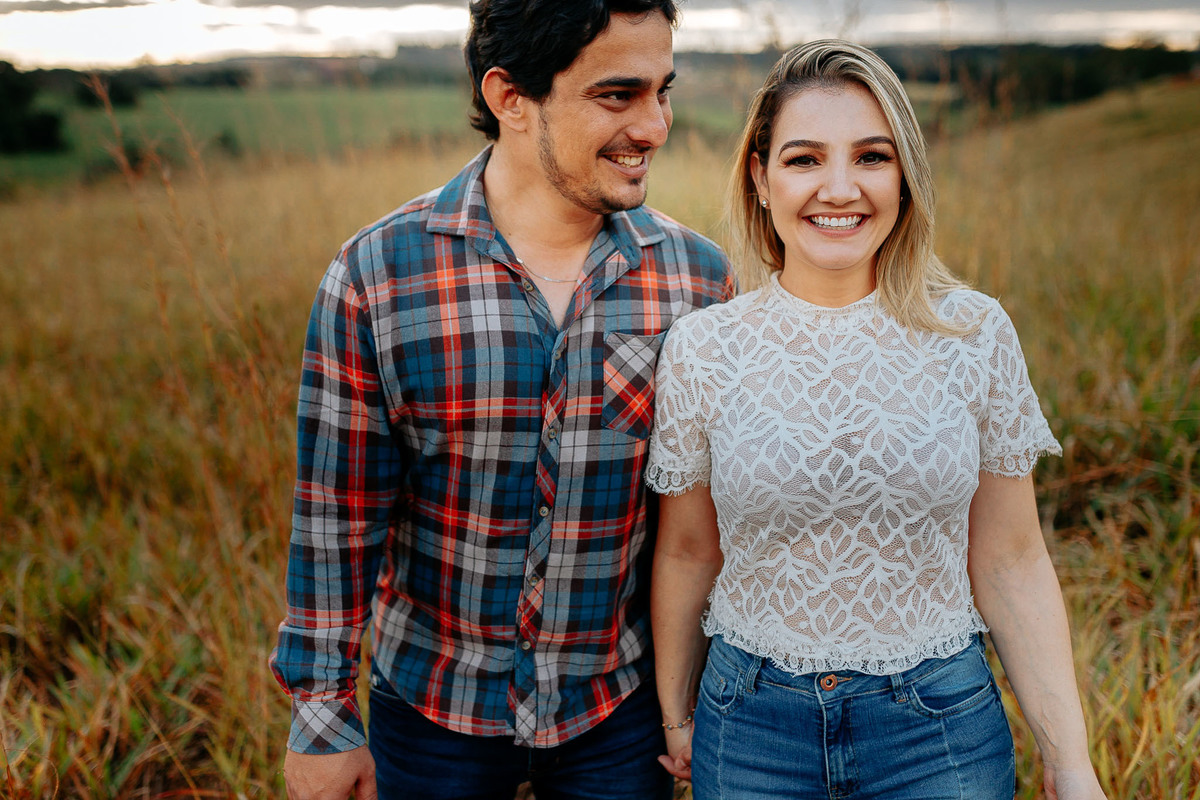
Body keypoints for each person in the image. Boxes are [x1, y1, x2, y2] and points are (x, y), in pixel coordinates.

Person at [268, 1, 734, 798]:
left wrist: (692, 702)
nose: (655, 126)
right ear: (510, 98)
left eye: (664, 91)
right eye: (618, 96)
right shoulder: (377, 276)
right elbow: (336, 521)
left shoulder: (697, 282)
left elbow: (701, 533)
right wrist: (321, 716)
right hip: (431, 711)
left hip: (617, 717)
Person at [647, 39, 1108, 800]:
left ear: (905, 177)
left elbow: (1012, 560)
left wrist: (1071, 757)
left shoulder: (974, 334)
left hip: (936, 730)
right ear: (760, 178)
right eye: (803, 160)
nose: (839, 188)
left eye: (871, 156)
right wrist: (675, 714)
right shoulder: (704, 348)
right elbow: (689, 551)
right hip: (752, 724)